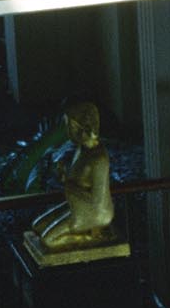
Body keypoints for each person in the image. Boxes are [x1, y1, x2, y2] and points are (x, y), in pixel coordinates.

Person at [27, 102, 116, 253]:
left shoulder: (99, 159)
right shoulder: (81, 149)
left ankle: (88, 238)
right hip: (77, 205)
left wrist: (68, 184)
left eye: (70, 127)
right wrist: (63, 175)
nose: (67, 131)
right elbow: (77, 181)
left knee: (48, 241)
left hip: (94, 212)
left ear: (82, 128)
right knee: (37, 226)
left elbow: (97, 202)